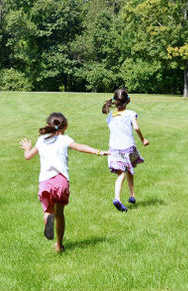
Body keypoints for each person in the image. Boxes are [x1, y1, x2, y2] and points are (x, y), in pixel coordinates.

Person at [20, 112, 108, 253]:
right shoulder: (65, 139)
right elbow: (80, 147)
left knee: (48, 211)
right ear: (65, 126)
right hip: (60, 181)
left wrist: (27, 148)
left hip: (45, 182)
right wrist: (99, 152)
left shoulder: (41, 140)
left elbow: (28, 157)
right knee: (60, 214)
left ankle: (49, 219)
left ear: (48, 125)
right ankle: (59, 245)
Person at [102, 88, 149, 212]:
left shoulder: (110, 116)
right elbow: (137, 128)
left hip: (114, 149)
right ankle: (123, 196)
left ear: (114, 101)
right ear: (128, 100)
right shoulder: (131, 114)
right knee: (127, 170)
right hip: (127, 148)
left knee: (122, 172)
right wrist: (143, 140)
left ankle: (129, 196)